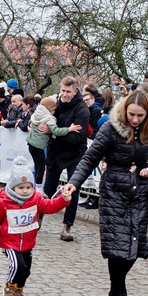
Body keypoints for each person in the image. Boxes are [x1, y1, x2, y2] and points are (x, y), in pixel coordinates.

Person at [62, 90, 148, 296]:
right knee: (117, 243)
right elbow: (90, 158)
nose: (135, 119)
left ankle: (119, 281)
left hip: (139, 192)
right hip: (114, 189)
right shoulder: (110, 129)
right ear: (124, 110)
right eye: (132, 114)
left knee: (135, 243)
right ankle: (116, 289)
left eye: (140, 116)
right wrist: (74, 183)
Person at [0, 157, 71, 296]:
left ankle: (19, 288)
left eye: (28, 187)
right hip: (10, 242)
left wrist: (63, 200)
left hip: (28, 242)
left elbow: (50, 206)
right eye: (21, 188)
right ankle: (10, 286)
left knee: (26, 270)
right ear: (13, 187)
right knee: (17, 265)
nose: (25, 191)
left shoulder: (36, 199)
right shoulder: (4, 202)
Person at [39, 76, 90, 242]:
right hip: (55, 151)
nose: (65, 94)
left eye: (68, 91)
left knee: (72, 189)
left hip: (75, 153)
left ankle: (67, 225)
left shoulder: (82, 110)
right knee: (48, 188)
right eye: (62, 91)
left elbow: (76, 138)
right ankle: (38, 219)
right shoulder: (56, 104)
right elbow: (42, 118)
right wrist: (44, 127)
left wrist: (53, 132)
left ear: (75, 91)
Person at [25, 96, 75, 187]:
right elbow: (56, 131)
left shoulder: (36, 114)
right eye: (53, 110)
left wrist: (30, 124)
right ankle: (39, 189)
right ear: (50, 109)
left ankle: (35, 186)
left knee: (37, 166)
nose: (54, 112)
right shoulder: (49, 118)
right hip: (39, 145)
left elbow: (30, 121)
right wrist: (69, 129)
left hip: (31, 144)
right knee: (41, 168)